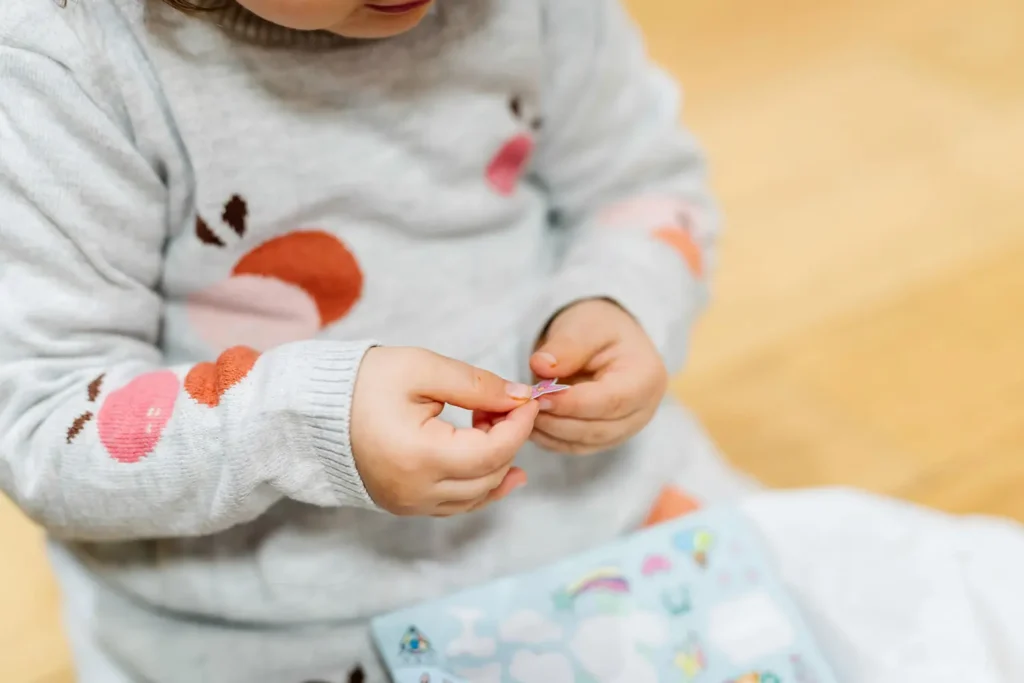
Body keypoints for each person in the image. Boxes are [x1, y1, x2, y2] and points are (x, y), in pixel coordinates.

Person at [0, 0, 752, 680]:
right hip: (271, 625)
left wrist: (620, 299)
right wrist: (308, 425)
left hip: (602, 515)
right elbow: (46, 422)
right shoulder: (67, 65)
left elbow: (642, 185)